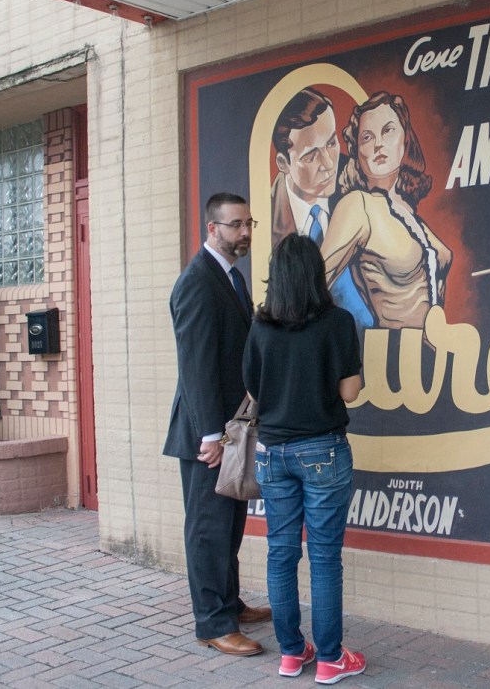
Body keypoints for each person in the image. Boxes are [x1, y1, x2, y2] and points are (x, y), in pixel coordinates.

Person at [243, 233, 366, 684]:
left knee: (280, 552)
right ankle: (331, 659)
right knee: (324, 555)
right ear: (316, 275)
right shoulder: (338, 322)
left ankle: (292, 654)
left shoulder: (260, 327)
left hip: (272, 453)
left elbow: (255, 393)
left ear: (276, 277)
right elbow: (350, 392)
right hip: (322, 450)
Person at [164, 192, 271, 656]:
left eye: (249, 224)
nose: (245, 233)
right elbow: (196, 367)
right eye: (235, 225)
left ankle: (229, 603)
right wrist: (212, 435)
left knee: (229, 523)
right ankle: (212, 622)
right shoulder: (197, 282)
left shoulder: (231, 278)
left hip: (233, 430)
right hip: (208, 436)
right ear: (212, 229)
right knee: (208, 528)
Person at [320, 91, 452, 330]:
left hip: (434, 356)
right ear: (357, 152)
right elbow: (309, 288)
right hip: (392, 358)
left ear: (405, 139)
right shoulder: (358, 206)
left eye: (388, 130)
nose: (378, 144)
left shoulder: (407, 212)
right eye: (367, 137)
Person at [271, 88, 342, 248]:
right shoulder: (267, 216)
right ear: (283, 164)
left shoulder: (356, 185)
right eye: (311, 156)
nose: (329, 164)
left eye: (331, 144)